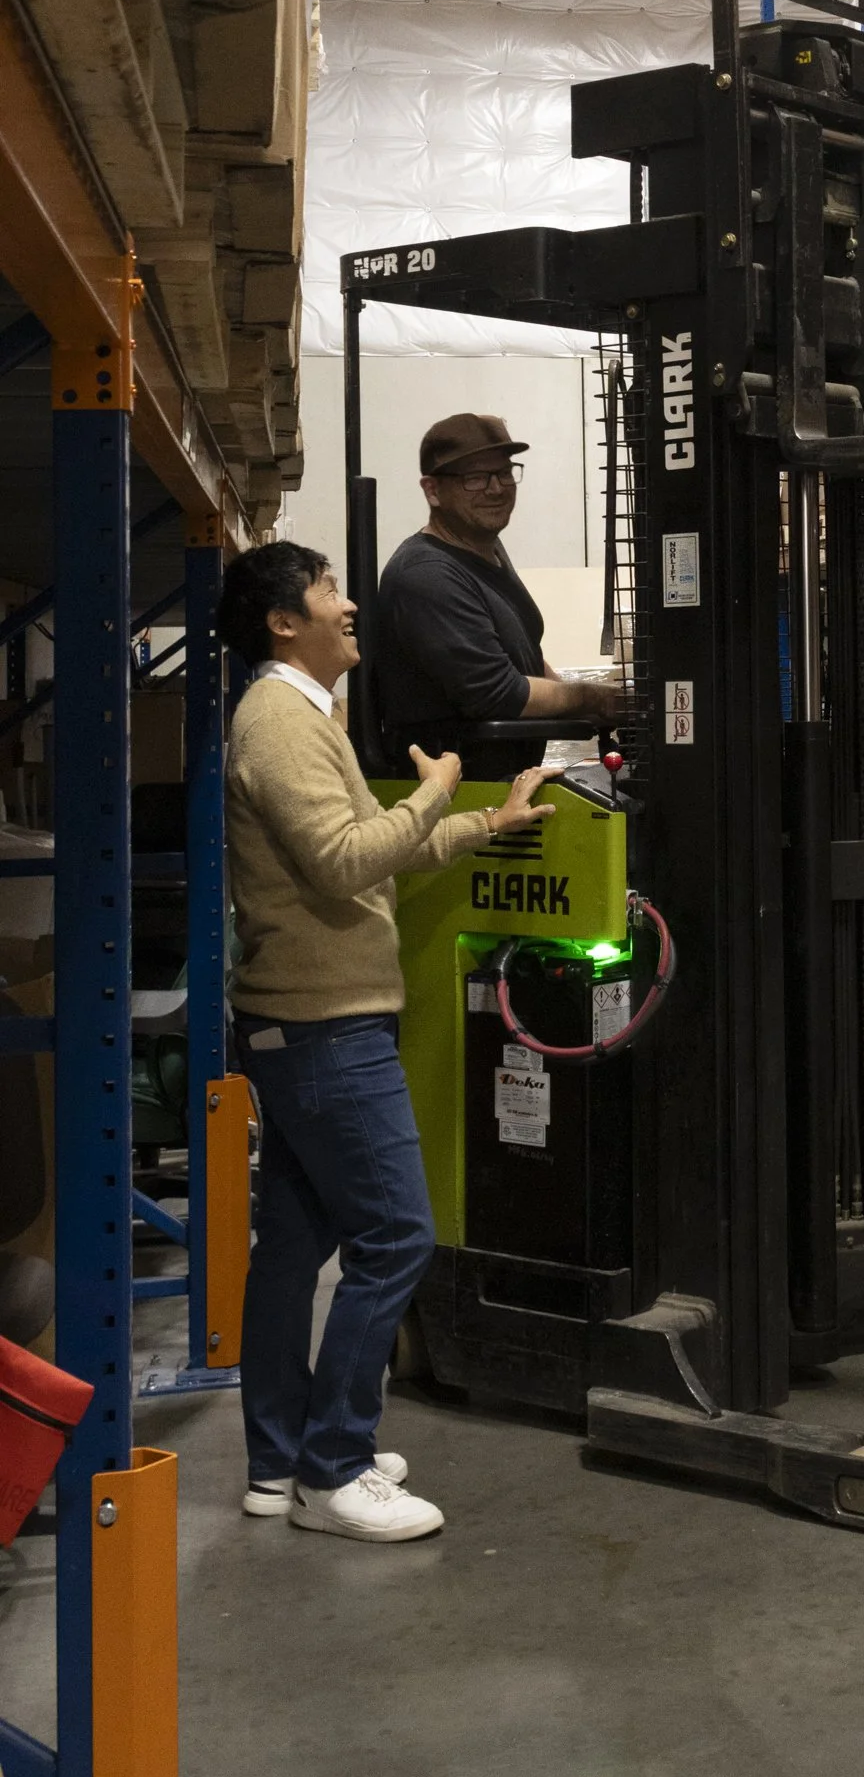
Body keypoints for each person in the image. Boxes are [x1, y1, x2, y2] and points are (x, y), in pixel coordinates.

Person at [218, 539, 554, 1544]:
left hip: (305, 1023)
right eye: (328, 592)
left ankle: (278, 1462)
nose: (349, 604)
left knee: (292, 1245)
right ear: (284, 621)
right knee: (398, 1235)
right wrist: (437, 789)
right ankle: (335, 1467)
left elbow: (376, 861)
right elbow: (341, 860)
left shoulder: (302, 717)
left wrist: (490, 821)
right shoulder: (278, 723)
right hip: (324, 1029)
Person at [371, 412, 623, 777]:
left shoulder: (485, 550)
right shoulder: (426, 575)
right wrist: (589, 697)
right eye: (475, 478)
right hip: (457, 797)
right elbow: (500, 693)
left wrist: (608, 705)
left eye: (504, 473)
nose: (496, 488)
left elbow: (525, 660)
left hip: (505, 787)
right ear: (432, 490)